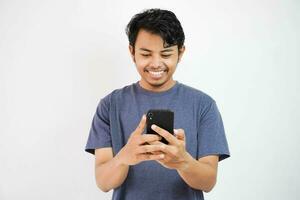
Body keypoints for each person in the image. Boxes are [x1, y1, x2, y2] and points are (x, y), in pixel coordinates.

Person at [85, 8, 230, 200]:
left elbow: (208, 181)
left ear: (180, 52)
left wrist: (183, 162)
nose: (155, 63)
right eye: (146, 54)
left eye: (166, 54)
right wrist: (124, 157)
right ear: (132, 52)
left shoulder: (204, 105)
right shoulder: (110, 105)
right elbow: (103, 183)